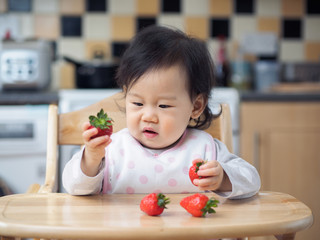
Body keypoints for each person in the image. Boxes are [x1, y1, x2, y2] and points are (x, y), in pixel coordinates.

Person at [63, 25, 260, 199]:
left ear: (196, 106)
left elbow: (251, 180)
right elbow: (73, 186)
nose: (148, 116)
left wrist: (223, 178)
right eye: (138, 103)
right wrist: (91, 159)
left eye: (163, 106)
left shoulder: (205, 149)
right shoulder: (112, 149)